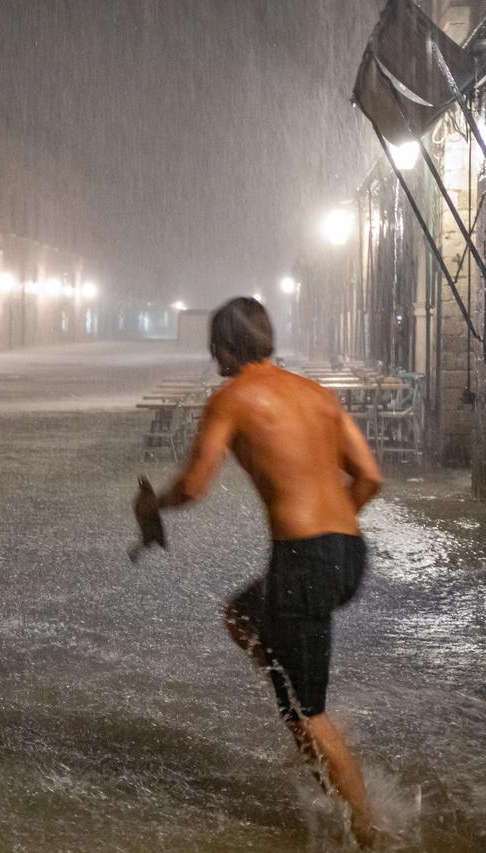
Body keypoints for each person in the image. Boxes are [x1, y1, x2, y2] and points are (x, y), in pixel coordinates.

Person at [135, 297, 384, 847]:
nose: (212, 356)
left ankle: (369, 833)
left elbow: (195, 486)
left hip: (304, 560)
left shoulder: (231, 397)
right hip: (348, 551)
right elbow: (369, 477)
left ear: (225, 346)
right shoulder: (318, 395)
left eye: (214, 346)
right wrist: (333, 528)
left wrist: (154, 507)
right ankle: (296, 702)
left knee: (308, 711)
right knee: (242, 613)